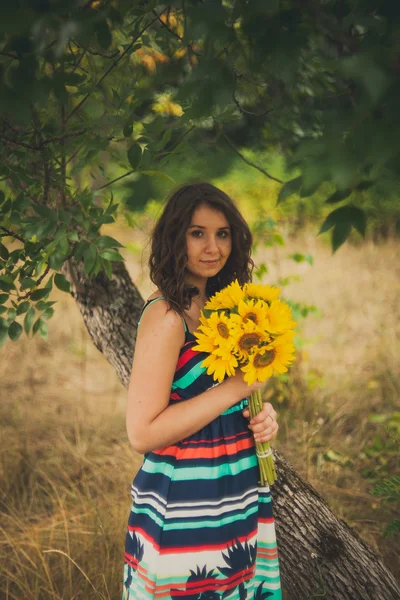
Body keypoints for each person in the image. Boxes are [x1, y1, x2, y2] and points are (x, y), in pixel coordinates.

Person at [123, 182, 282, 600]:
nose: (213, 246)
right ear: (176, 237)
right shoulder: (167, 316)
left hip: (238, 494)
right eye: (198, 233)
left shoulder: (222, 308)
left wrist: (260, 417)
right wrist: (236, 388)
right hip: (186, 506)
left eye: (223, 233)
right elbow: (142, 433)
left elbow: (224, 401)